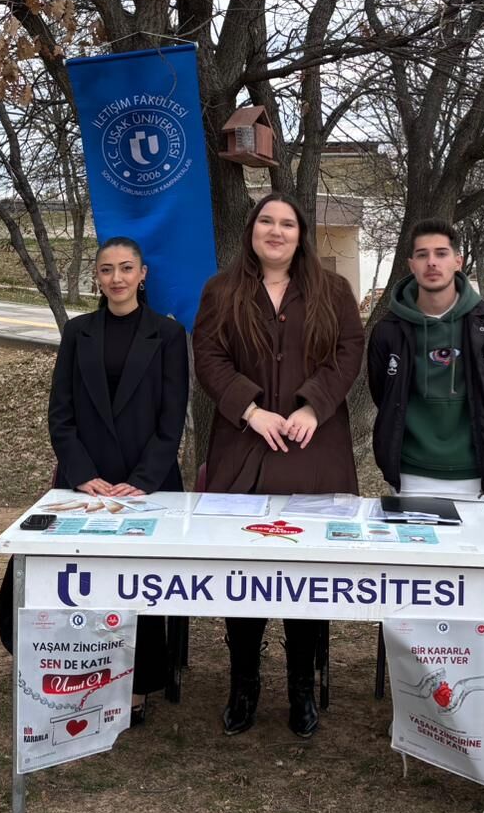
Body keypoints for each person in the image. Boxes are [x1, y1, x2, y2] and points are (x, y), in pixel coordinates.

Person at [192, 193, 364, 739]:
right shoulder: (221, 291)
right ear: (251, 231)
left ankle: (301, 688)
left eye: (287, 223)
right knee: (243, 575)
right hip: (244, 448)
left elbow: (349, 350)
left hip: (313, 449)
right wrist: (249, 408)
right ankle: (244, 682)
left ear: (300, 234)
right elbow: (208, 355)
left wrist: (313, 404)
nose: (276, 231)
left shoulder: (331, 290)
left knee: (306, 576)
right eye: (266, 221)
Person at [367, 219, 484, 739]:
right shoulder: (391, 328)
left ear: (459, 260)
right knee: (422, 592)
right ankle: (429, 702)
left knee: (479, 596)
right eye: (421, 254)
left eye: (441, 253)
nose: (432, 262)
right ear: (409, 264)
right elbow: (381, 391)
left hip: (475, 482)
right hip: (414, 477)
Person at [44, 236, 189, 724]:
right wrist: (83, 475)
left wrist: (142, 480)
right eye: (107, 270)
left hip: (148, 482)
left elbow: (172, 420)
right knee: (82, 580)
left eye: (127, 268)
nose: (117, 278)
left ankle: (141, 683)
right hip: (86, 483)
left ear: (143, 274)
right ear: (97, 278)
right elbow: (60, 415)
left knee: (140, 585)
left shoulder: (168, 336)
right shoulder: (78, 332)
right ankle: (82, 673)